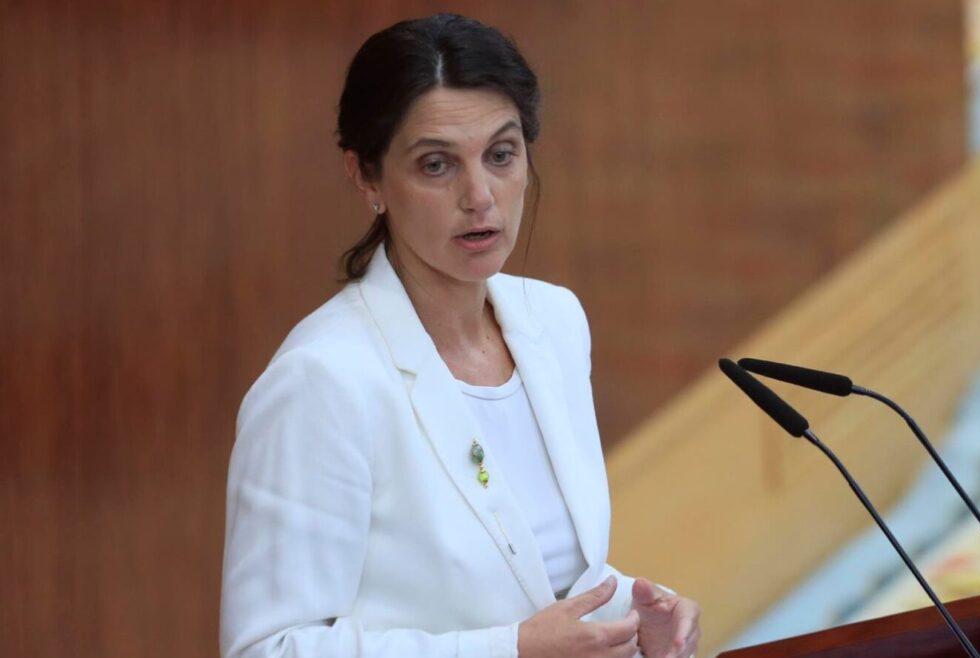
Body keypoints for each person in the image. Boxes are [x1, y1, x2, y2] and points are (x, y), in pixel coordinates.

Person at [219, 14, 701, 658]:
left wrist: (640, 617)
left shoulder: (553, 322)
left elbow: (539, 577)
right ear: (367, 177)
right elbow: (266, 650)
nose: (480, 197)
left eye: (501, 156)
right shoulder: (323, 380)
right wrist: (508, 651)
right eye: (437, 165)